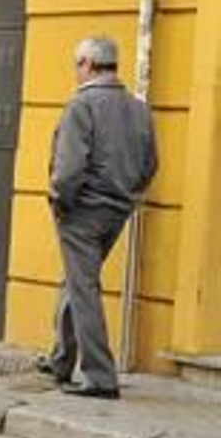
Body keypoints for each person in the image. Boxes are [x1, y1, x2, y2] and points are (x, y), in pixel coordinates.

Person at [36, 36, 158, 400]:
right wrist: (128, 196)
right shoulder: (139, 109)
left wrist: (60, 199)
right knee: (76, 279)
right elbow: (150, 165)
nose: (75, 71)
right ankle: (61, 358)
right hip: (117, 210)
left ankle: (100, 376)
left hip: (82, 211)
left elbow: (69, 166)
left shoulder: (81, 105)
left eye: (77, 64)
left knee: (83, 286)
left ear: (88, 64)